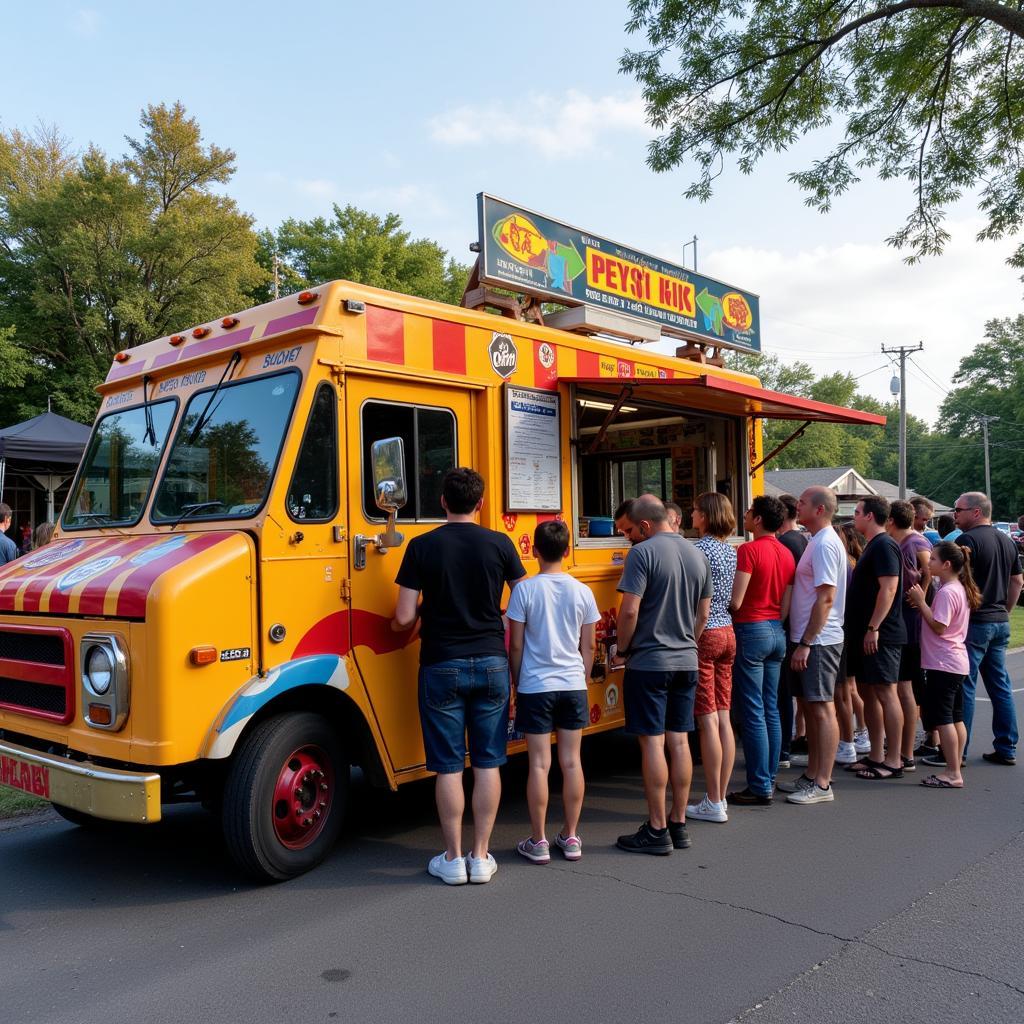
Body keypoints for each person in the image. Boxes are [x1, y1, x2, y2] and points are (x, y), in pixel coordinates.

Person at [392, 467, 527, 885]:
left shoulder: (421, 546)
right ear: (480, 503)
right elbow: (522, 598)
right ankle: (481, 857)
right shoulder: (500, 543)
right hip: (491, 661)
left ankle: (452, 859)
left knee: (449, 766)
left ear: (443, 502)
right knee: (488, 761)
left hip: (441, 662)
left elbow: (402, 616)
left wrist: (412, 619)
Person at [611, 494, 711, 854]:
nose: (630, 538)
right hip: (687, 660)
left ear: (646, 526)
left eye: (631, 531)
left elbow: (629, 612)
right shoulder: (697, 554)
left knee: (653, 742)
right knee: (680, 741)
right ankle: (678, 823)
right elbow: (703, 614)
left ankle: (655, 829)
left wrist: (622, 651)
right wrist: (688, 644)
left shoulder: (642, 554)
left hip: (650, 663)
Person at [507, 521, 600, 863]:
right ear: (567, 550)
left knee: (539, 764)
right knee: (572, 762)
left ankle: (539, 841)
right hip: (572, 684)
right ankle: (571, 837)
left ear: (534, 552)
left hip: (535, 685)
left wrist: (517, 683)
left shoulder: (525, 591)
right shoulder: (582, 591)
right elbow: (588, 644)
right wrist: (584, 677)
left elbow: (515, 646)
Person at [778, 487, 846, 805]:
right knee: (809, 705)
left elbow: (827, 597)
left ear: (819, 510)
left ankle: (822, 783)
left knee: (821, 709)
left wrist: (807, 641)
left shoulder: (825, 543)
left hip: (818, 640)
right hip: (807, 639)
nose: (797, 506)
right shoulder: (815, 541)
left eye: (802, 503)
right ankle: (812, 775)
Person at [727, 495, 795, 806]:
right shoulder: (786, 552)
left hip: (750, 629)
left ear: (757, 520)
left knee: (752, 710)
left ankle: (758, 785)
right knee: (771, 708)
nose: (745, 514)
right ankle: (767, 778)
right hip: (775, 630)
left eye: (749, 512)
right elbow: (786, 603)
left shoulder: (748, 550)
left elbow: (736, 600)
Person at [945, 491, 1022, 766]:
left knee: (965, 684)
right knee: (999, 685)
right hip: (999, 620)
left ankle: (958, 752)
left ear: (976, 512)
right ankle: (1006, 746)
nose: (955, 514)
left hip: (976, 622)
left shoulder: (968, 541)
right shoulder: (1007, 540)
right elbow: (1017, 582)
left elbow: (958, 583)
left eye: (958, 509)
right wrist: (1005, 611)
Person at [907, 541, 980, 789]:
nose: (929, 563)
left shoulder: (949, 591)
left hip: (944, 662)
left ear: (947, 564)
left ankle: (952, 772)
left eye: (934, 560)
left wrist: (920, 602)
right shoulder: (956, 587)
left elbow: (940, 626)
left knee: (944, 719)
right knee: (956, 717)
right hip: (954, 661)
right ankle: (955, 765)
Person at [845, 496, 906, 781]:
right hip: (866, 633)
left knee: (885, 692)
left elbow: (889, 588)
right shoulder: (874, 545)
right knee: (869, 691)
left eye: (857, 512)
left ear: (870, 516)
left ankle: (893, 759)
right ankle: (876, 754)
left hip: (882, 634)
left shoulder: (884, 545)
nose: (854, 517)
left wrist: (873, 627)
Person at [687, 491, 737, 823]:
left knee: (706, 721)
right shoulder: (731, 552)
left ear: (704, 516)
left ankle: (714, 800)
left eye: (694, 511)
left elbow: (697, 605)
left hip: (705, 634)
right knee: (723, 717)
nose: (692, 516)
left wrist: (690, 636)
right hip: (728, 633)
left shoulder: (698, 551)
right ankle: (720, 795)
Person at [887, 499, 932, 769]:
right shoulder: (899, 543)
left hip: (911, 622)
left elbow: (928, 571)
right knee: (907, 685)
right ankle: (906, 745)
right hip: (903, 619)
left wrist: (921, 596)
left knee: (909, 684)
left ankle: (908, 750)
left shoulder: (915, 542)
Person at [776, 493, 809, 769]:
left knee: (780, 692)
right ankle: (786, 745)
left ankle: (782, 748)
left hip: (786, 622)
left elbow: (785, 587)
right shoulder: (803, 540)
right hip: (796, 622)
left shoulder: (786, 542)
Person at [834, 523, 870, 759]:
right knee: (851, 688)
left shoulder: (845, 563)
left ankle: (854, 736)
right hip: (850, 629)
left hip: (843, 629)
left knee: (845, 689)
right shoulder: (852, 562)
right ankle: (862, 731)